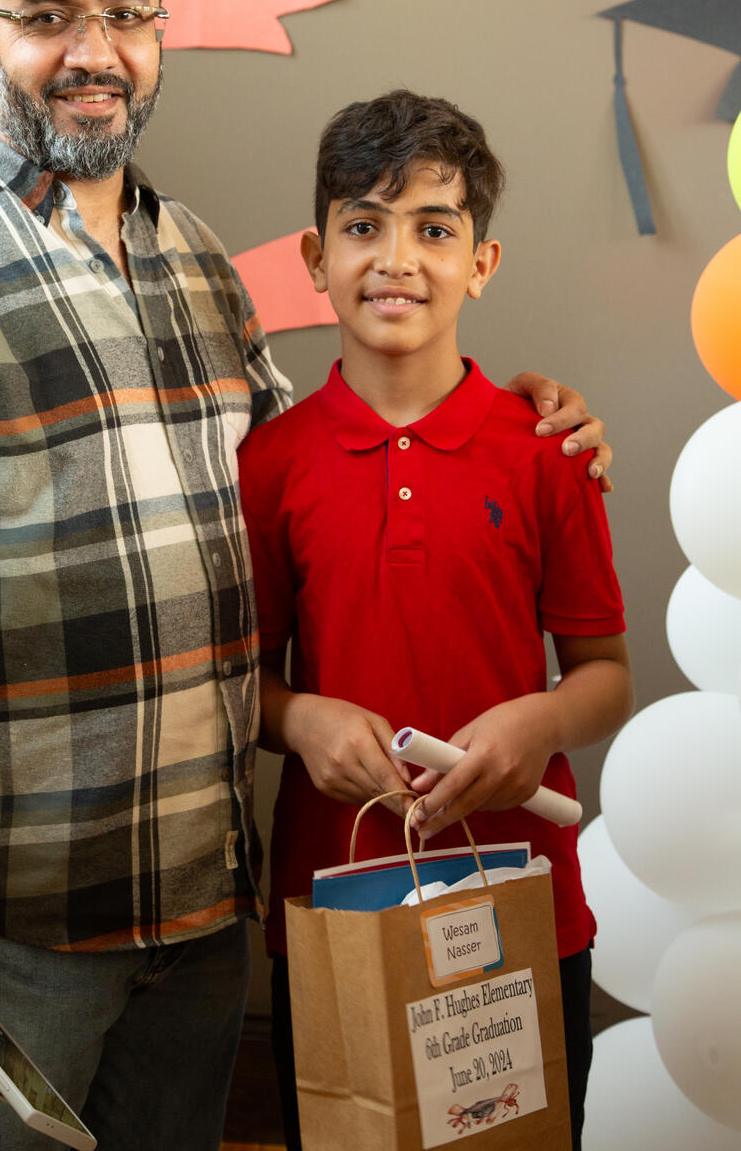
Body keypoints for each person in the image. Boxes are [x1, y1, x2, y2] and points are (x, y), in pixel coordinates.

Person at [0, 0, 612, 1151]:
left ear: (159, 34)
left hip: (199, 918)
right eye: (47, 16)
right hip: (13, 934)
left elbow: (311, 471)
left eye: (125, 13)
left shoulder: (194, 266)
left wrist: (526, 413)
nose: (94, 51)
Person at [238, 89, 632, 1151]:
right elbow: (244, 687)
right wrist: (301, 719)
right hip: (335, 908)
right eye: (364, 225)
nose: (396, 260)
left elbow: (604, 674)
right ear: (316, 257)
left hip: (520, 903)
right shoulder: (269, 465)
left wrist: (539, 723)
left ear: (481, 263)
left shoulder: (548, 454)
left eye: (434, 229)